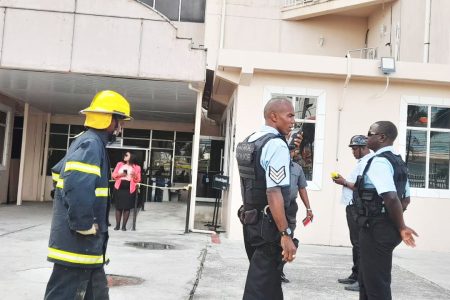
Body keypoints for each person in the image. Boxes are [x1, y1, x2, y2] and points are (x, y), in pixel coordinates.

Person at [44, 90, 132, 300]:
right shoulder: (91, 144)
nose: (120, 127)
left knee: (98, 294)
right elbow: (76, 184)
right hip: (78, 245)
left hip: (88, 247)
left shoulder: (87, 142)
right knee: (63, 294)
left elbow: (59, 173)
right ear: (109, 120)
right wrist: (83, 225)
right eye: (119, 121)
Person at [236, 97, 297, 300]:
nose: (293, 120)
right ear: (273, 116)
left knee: (269, 283)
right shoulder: (276, 146)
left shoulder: (249, 141)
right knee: (259, 286)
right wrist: (285, 233)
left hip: (250, 221)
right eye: (289, 115)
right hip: (269, 228)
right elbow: (273, 192)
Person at [355, 121, 418, 300]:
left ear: (381, 137)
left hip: (377, 228)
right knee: (368, 279)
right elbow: (405, 198)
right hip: (383, 227)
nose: (367, 137)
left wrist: (401, 227)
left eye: (370, 133)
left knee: (376, 285)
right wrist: (395, 223)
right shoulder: (398, 161)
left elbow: (391, 197)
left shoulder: (380, 162)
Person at [332, 135, 373, 292]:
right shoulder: (361, 162)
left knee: (360, 244)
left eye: (355, 149)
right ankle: (355, 275)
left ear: (364, 148)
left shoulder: (367, 162)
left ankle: (361, 280)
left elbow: (359, 187)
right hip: (352, 206)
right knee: (356, 243)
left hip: (357, 207)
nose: (353, 152)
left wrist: (343, 181)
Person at [280, 146, 313, 284]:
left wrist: (308, 208)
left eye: (291, 151)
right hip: (276, 206)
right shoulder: (276, 166)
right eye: (287, 150)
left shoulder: (297, 168)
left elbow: (302, 189)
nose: (290, 153)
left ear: (294, 153)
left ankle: (279, 270)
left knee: (289, 237)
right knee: (274, 238)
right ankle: (271, 270)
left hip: (290, 207)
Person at [112, 151, 141, 231]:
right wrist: (121, 175)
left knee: (127, 208)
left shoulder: (137, 167)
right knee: (118, 208)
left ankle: (124, 226)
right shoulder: (119, 164)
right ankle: (117, 225)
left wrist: (134, 175)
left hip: (129, 190)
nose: (124, 156)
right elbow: (113, 175)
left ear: (131, 157)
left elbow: (138, 179)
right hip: (119, 188)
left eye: (126, 155)